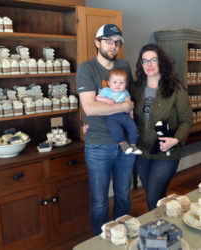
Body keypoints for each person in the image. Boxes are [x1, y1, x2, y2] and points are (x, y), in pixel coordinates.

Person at [76, 24, 136, 235]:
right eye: (108, 40)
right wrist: (123, 107)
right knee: (100, 202)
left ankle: (120, 238)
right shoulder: (87, 68)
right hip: (98, 146)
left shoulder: (124, 65)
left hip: (125, 145)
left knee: (123, 196)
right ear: (97, 42)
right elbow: (90, 108)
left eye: (117, 41)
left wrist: (127, 108)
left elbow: (130, 96)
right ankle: (100, 242)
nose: (113, 45)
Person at [129, 43, 193, 211]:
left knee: (152, 198)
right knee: (156, 196)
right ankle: (165, 228)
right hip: (142, 151)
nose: (149, 65)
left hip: (166, 153)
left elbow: (187, 120)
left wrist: (176, 139)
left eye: (153, 60)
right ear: (141, 65)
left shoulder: (176, 89)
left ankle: (157, 233)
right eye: (145, 61)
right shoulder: (135, 88)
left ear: (161, 62)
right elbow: (122, 108)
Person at [96, 68, 142, 155]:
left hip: (125, 116)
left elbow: (130, 104)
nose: (118, 85)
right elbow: (97, 98)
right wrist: (105, 99)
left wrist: (131, 113)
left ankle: (133, 145)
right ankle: (123, 145)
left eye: (121, 83)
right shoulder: (106, 91)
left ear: (125, 84)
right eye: (115, 82)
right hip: (112, 117)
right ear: (109, 83)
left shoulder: (125, 92)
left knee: (133, 128)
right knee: (115, 130)